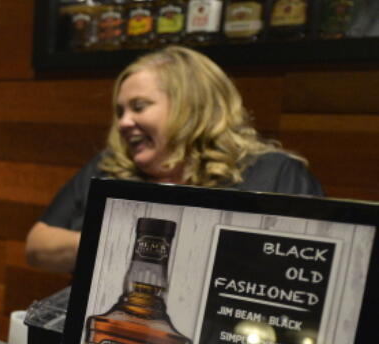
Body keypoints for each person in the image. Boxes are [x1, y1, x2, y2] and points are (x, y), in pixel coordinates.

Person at [26, 45, 323, 274]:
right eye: (120, 112)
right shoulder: (109, 167)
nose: (123, 122)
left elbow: (306, 273)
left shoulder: (274, 174)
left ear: (191, 107)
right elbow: (38, 247)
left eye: (139, 107)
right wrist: (138, 244)